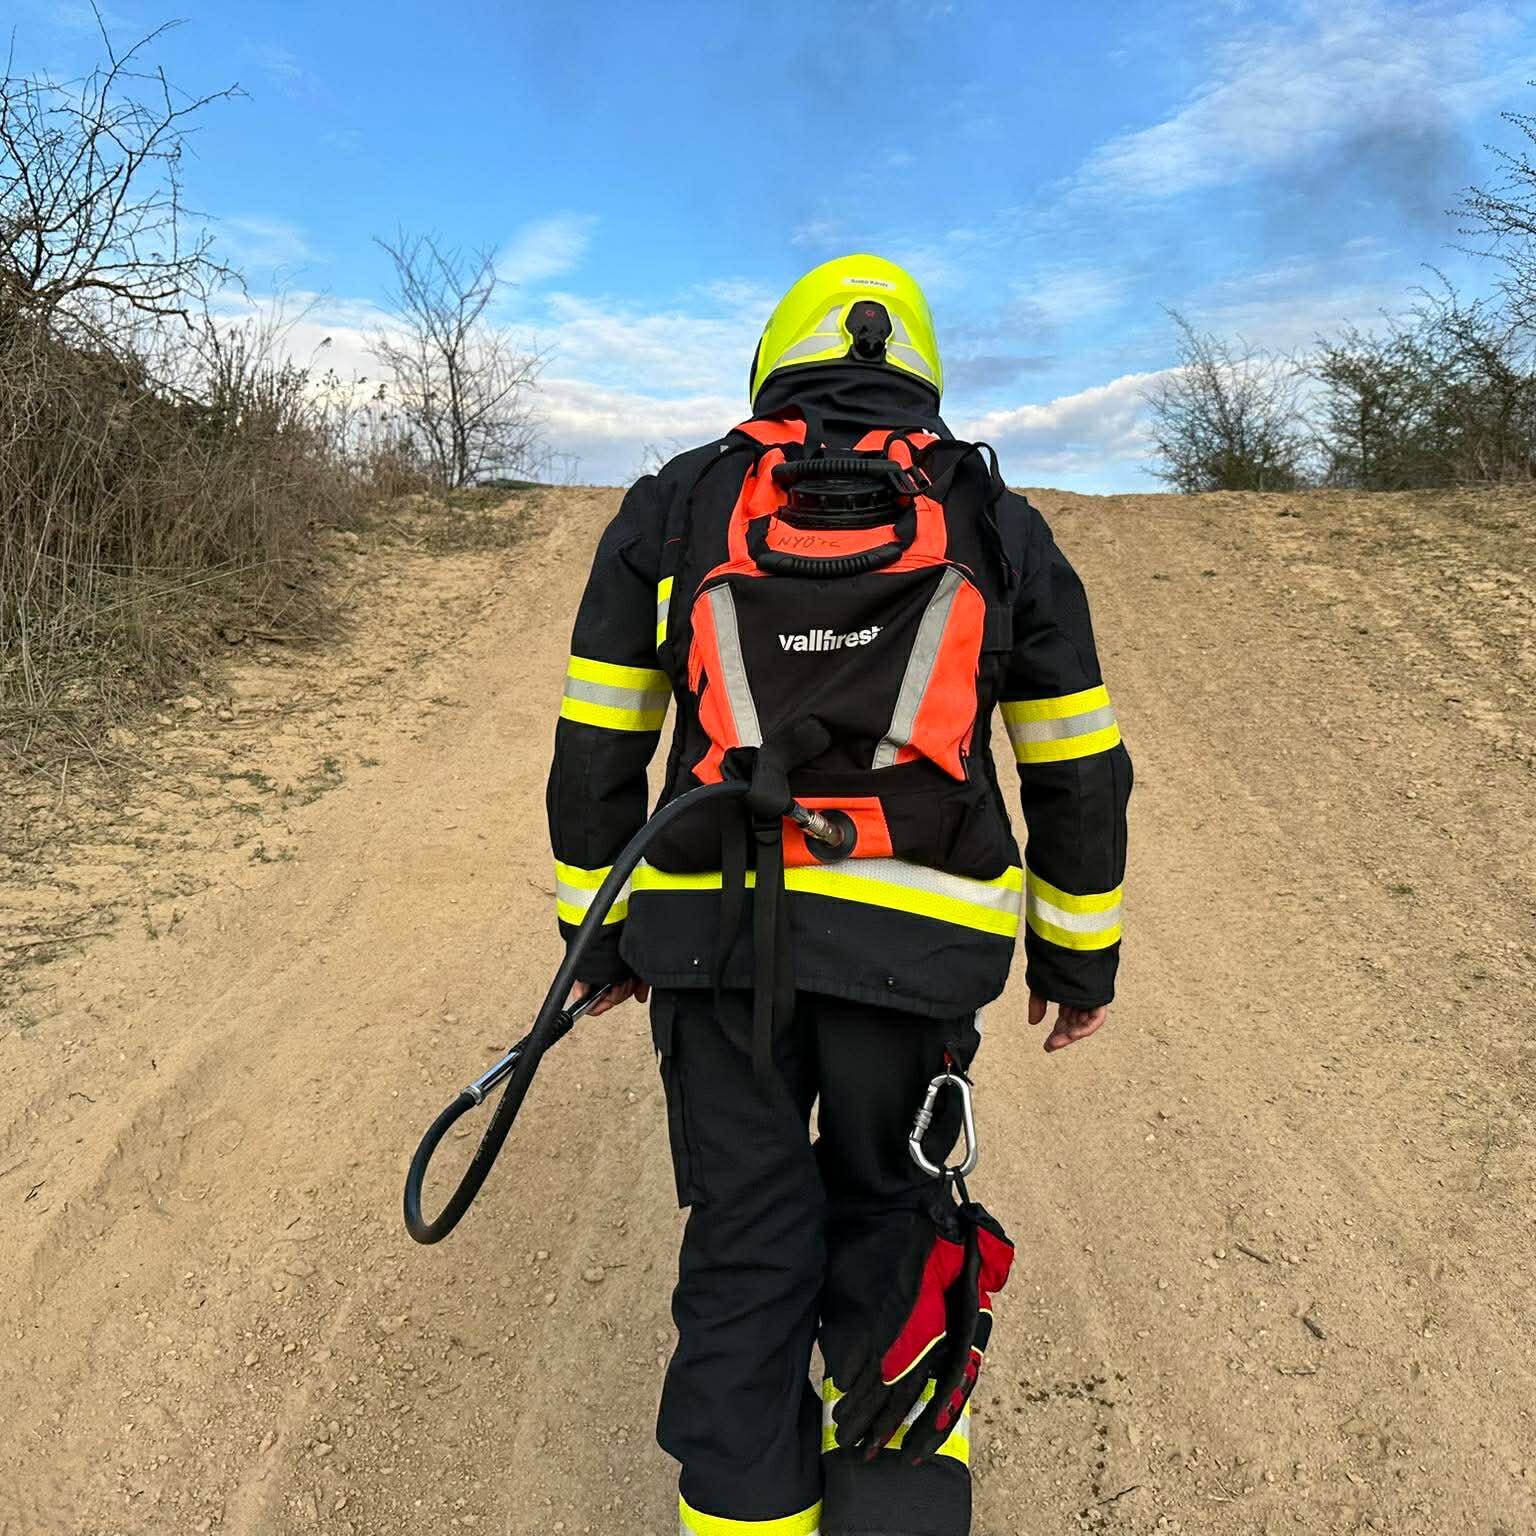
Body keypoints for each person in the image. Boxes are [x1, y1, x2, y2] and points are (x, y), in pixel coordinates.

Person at [546, 255, 1132, 1536]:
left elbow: (599, 740)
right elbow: (1077, 760)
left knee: (748, 1238)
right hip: (919, 953)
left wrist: (598, 936)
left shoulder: (678, 503)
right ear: (919, 367)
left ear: (776, 359)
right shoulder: (993, 516)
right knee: (899, 1224)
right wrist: (1076, 955)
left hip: (715, 948)